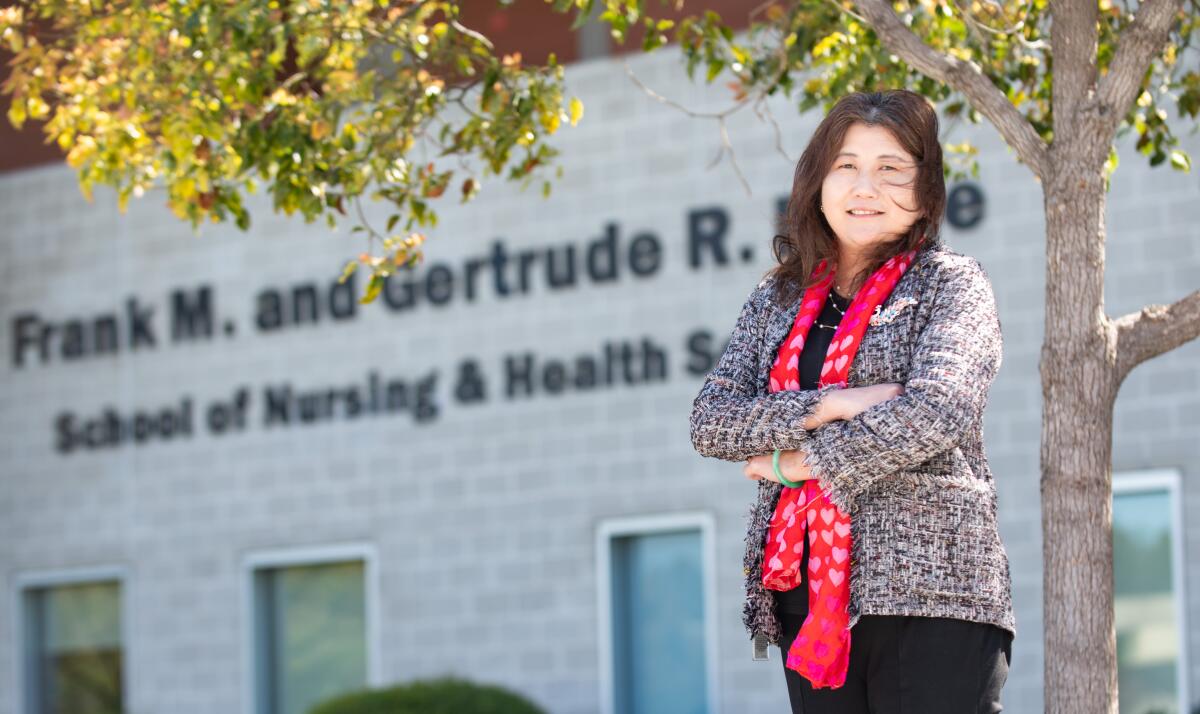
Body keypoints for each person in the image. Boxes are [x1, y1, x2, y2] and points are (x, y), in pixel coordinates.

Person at [689, 89, 1015, 713]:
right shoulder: (777, 300)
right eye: (846, 167)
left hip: (932, 591)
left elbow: (935, 411)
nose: (865, 187)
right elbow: (711, 422)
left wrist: (795, 464)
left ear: (926, 188)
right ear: (817, 182)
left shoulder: (952, 285)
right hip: (805, 598)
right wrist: (831, 404)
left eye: (890, 169)